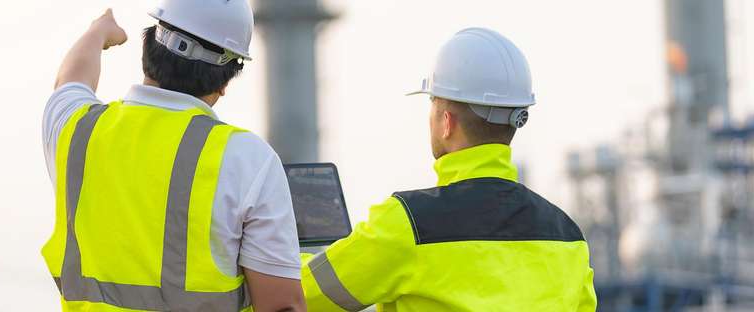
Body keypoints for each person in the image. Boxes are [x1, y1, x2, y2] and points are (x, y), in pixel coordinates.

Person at [298, 28, 596, 311]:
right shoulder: (568, 236)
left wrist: (272, 256)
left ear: (447, 122)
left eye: (432, 104)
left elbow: (298, 295)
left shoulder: (408, 224)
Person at [39, 1, 305, 311]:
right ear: (224, 82)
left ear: (147, 49)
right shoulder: (247, 159)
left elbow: (69, 81)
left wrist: (98, 32)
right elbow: (281, 305)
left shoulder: (76, 130)